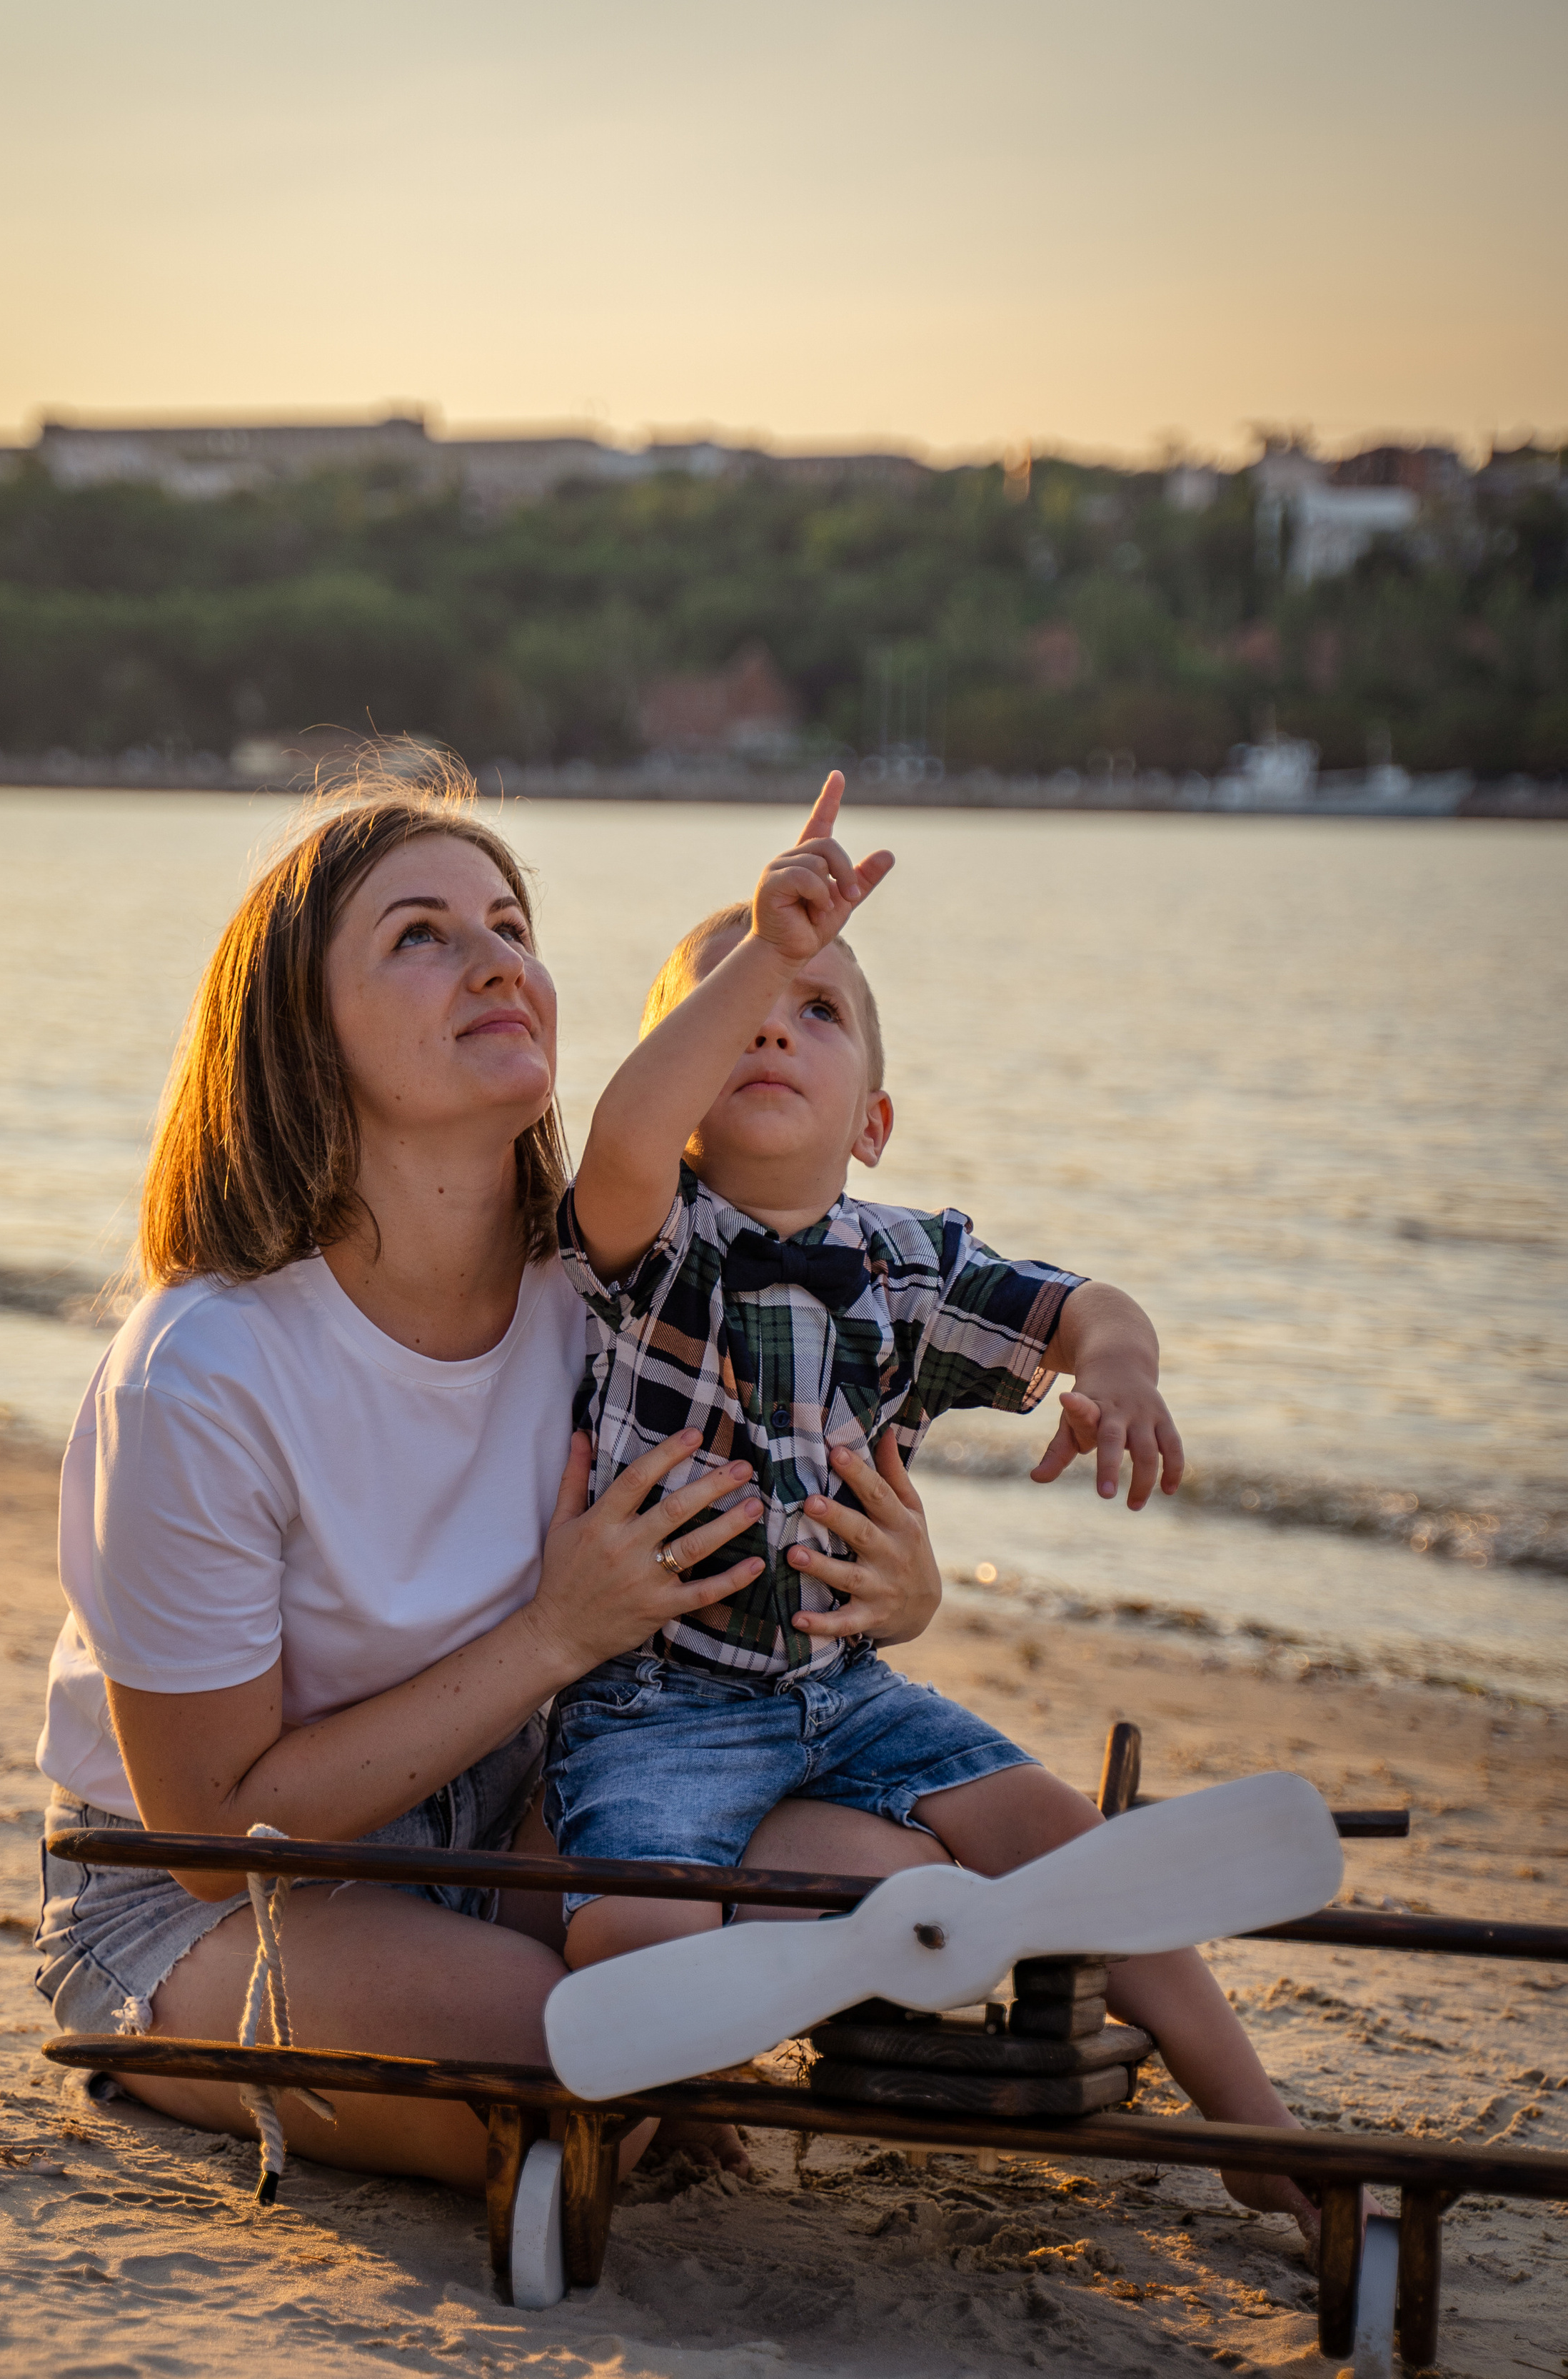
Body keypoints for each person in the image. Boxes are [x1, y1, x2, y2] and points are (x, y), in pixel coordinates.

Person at [32, 766, 947, 2196]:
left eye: (511, 927)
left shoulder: (611, 1299)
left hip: (534, 1816)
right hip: (206, 1905)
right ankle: (630, 2053)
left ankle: (670, 2027)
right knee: (572, 2074)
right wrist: (555, 1634)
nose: (497, 961)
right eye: (422, 934)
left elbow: (752, 1575)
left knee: (911, 1871)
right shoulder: (203, 1373)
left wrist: (896, 1589)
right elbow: (211, 1838)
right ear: (300, 1032)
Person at [546, 771, 1323, 2235]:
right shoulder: (645, 1238)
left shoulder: (909, 1268)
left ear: (875, 1121)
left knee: (1060, 1833)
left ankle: (1254, 2124)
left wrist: (1119, 1372)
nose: (770, 1019)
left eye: (817, 1009)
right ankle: (689, 2078)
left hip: (848, 1697)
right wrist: (770, 944)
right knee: (634, 1934)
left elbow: (1083, 1305)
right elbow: (631, 1124)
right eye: (729, 1002)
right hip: (653, 1709)